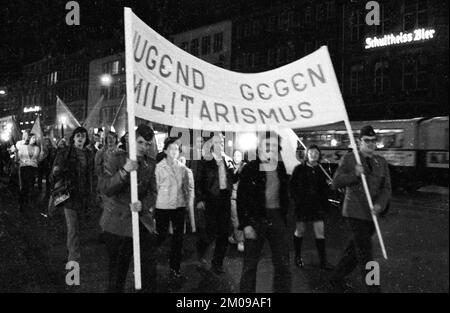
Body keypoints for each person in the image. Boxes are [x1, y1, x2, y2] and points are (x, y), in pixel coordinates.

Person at [329, 125, 391, 293]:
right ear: (359, 141)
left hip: (372, 215)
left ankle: (336, 277)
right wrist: (354, 175)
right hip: (354, 212)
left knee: (354, 251)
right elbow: (336, 182)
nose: (370, 144)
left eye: (373, 141)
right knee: (365, 253)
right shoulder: (350, 159)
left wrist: (380, 204)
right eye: (366, 141)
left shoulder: (381, 162)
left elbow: (386, 189)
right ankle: (374, 289)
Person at [98, 124, 158, 293]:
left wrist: (143, 204)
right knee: (118, 272)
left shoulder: (149, 164)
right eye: (140, 142)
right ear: (132, 140)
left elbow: (153, 192)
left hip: (141, 222)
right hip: (118, 223)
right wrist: (124, 171)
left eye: (147, 144)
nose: (144, 147)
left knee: (148, 269)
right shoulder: (115, 159)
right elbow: (107, 188)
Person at [237, 131, 291, 293]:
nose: (272, 149)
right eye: (268, 145)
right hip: (255, 219)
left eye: (275, 146)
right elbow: (241, 199)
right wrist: (246, 224)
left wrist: (283, 217)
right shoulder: (250, 169)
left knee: (283, 265)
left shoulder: (281, 168)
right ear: (259, 148)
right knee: (250, 266)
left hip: (276, 218)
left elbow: (285, 196)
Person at [52, 127, 94, 263]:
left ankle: (74, 252)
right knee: (73, 229)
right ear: (74, 138)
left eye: (83, 135)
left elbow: (91, 176)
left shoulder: (89, 154)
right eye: (78, 135)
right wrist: (58, 170)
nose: (80, 138)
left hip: (83, 196)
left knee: (79, 228)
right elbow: (55, 172)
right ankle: (73, 261)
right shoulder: (65, 152)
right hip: (70, 196)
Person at [195, 133, 236, 274]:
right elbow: (198, 181)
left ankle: (217, 263)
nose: (221, 145)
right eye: (219, 142)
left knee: (224, 233)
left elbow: (232, 178)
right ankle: (201, 254)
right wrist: (200, 199)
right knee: (210, 231)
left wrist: (239, 172)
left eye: (223, 142)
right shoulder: (206, 160)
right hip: (211, 199)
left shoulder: (227, 160)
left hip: (225, 199)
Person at [154, 138, 194, 279]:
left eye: (176, 149)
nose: (174, 151)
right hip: (163, 206)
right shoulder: (159, 167)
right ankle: (149, 261)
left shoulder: (182, 168)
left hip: (179, 206)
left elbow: (186, 187)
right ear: (165, 151)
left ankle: (175, 267)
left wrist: (187, 203)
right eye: (171, 148)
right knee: (160, 235)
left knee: (178, 238)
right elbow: (156, 188)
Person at [290, 145, 334, 270]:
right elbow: (292, 187)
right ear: (307, 154)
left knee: (320, 232)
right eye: (311, 152)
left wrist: (329, 186)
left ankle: (323, 260)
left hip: (317, 206)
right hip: (303, 206)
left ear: (319, 155)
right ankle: (297, 257)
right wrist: (297, 200)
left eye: (316, 153)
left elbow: (324, 189)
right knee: (300, 230)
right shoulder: (299, 169)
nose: (313, 155)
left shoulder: (321, 170)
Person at [16, 131, 41, 213]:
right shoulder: (22, 147)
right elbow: (18, 158)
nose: (35, 139)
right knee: (24, 187)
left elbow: (38, 159)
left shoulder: (37, 148)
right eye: (33, 138)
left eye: (35, 138)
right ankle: (21, 204)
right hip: (24, 168)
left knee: (31, 186)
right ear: (29, 138)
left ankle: (28, 203)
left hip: (33, 169)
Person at [228, 150, 245, 252]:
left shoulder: (245, 167)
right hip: (233, 198)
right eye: (235, 155)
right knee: (235, 219)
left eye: (239, 155)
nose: (237, 157)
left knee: (241, 218)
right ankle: (240, 240)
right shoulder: (230, 167)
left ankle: (239, 239)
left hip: (243, 198)